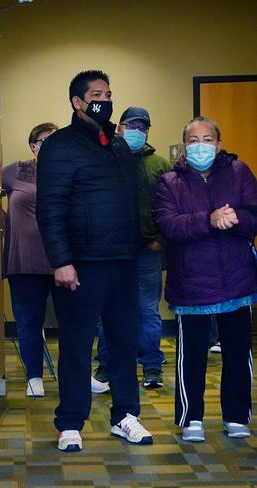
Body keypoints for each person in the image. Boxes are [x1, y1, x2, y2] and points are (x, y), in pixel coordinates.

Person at [36, 70, 152, 452]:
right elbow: (49, 209)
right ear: (78, 102)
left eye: (109, 93)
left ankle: (126, 416)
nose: (105, 99)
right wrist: (61, 260)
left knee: (123, 342)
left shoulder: (118, 147)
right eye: (97, 94)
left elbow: (131, 203)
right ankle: (70, 422)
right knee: (76, 344)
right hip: (82, 264)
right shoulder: (60, 146)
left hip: (123, 261)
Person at [153, 116, 257, 442]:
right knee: (192, 356)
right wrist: (209, 220)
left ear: (219, 144)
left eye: (208, 139)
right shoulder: (169, 181)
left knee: (238, 353)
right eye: (194, 140)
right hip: (191, 282)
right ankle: (191, 418)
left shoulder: (239, 172)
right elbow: (168, 225)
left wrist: (236, 218)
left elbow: (254, 218)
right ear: (184, 147)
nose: (201, 146)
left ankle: (237, 416)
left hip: (236, 279)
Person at [92, 107, 172, 392]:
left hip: (148, 250)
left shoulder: (160, 164)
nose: (137, 130)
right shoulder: (105, 159)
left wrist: (160, 240)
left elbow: (171, 207)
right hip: (111, 251)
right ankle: (106, 365)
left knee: (147, 309)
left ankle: (151, 365)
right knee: (107, 309)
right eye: (130, 125)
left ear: (148, 131)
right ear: (119, 128)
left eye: (142, 126)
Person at [2, 122, 58, 397]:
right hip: (24, 262)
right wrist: (3, 223)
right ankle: (34, 376)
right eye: (44, 141)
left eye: (55, 140)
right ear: (33, 146)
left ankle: (79, 376)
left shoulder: (67, 172)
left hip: (62, 261)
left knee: (76, 322)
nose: (49, 145)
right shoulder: (16, 170)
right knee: (29, 321)